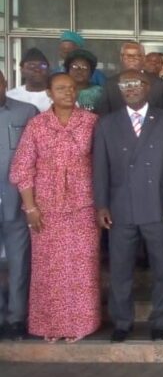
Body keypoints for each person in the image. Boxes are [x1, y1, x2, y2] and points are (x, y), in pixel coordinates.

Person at [93, 70, 163, 343]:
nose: (130, 88)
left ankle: (160, 320)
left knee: (162, 268)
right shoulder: (106, 124)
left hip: (160, 205)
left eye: (136, 84)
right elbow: (99, 169)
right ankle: (122, 322)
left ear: (148, 87)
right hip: (121, 207)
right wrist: (101, 205)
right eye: (125, 84)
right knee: (120, 270)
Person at [9, 73, 100, 343]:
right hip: (46, 208)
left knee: (82, 267)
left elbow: (103, 165)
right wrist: (30, 208)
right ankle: (50, 324)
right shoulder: (37, 125)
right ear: (49, 92)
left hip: (84, 205)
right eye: (61, 88)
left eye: (72, 88)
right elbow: (22, 168)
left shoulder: (91, 122)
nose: (68, 93)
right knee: (49, 268)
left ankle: (81, 323)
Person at [0, 72, 37, 341]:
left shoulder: (26, 112)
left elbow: (37, 157)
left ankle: (16, 317)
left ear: (5, 84)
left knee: (19, 262)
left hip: (16, 202)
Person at [96, 42, 163, 115]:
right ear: (121, 58)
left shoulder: (159, 85)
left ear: (143, 59)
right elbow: (104, 114)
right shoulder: (110, 84)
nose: (132, 59)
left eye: (136, 56)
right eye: (127, 56)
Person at [8, 48, 52, 112]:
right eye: (31, 66)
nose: (37, 69)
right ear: (22, 71)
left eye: (43, 65)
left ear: (49, 70)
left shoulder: (58, 96)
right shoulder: (10, 97)